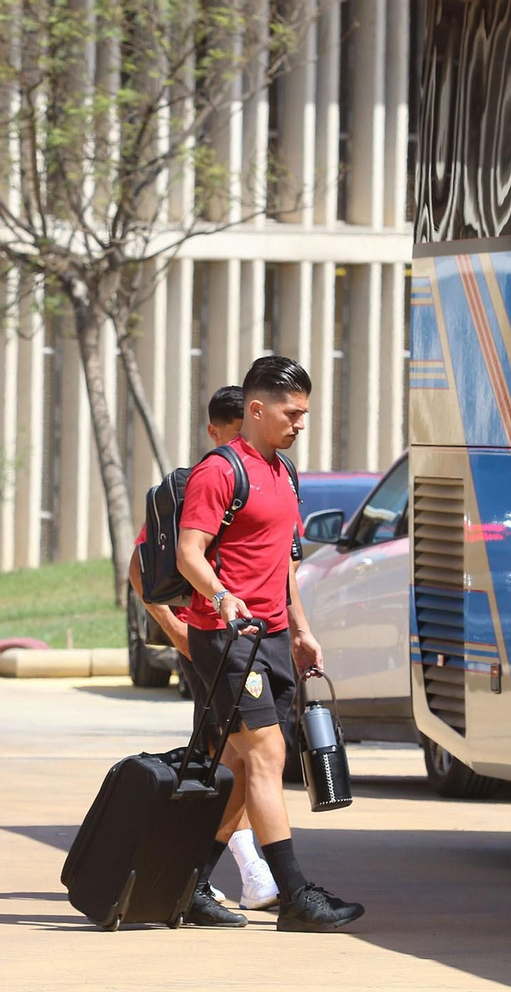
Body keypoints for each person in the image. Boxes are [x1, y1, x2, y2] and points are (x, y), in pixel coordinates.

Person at [176, 355, 365, 932]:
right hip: (228, 636)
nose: (300, 423)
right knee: (266, 756)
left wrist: (302, 629)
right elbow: (188, 553)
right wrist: (220, 596)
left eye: (304, 413)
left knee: (240, 762)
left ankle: (188, 884)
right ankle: (296, 895)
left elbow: (284, 564)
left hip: (275, 637)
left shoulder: (284, 473)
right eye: (291, 413)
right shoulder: (219, 471)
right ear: (256, 409)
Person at [126, 385, 279, 913]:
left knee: (240, 757)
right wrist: (178, 633)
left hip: (255, 642)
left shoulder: (269, 477)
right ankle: (239, 870)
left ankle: (215, 873)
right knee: (230, 756)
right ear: (215, 432)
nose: (243, 446)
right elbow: (140, 568)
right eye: (234, 435)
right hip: (212, 644)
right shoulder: (198, 484)